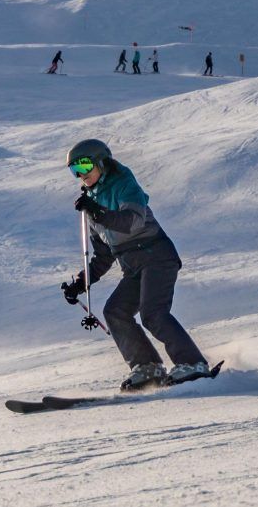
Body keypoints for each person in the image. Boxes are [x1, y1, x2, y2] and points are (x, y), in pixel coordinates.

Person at [62, 139, 210, 390]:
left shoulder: (123, 184)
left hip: (156, 256)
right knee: (115, 311)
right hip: (132, 266)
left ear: (101, 162)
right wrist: (81, 282)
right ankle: (147, 366)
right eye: (74, 170)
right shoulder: (90, 201)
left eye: (85, 166)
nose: (81, 175)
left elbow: (132, 223)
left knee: (153, 314)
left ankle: (193, 363)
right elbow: (104, 255)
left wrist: (97, 211)